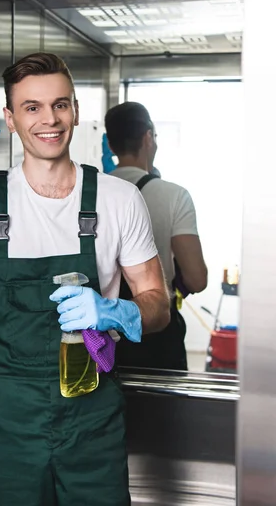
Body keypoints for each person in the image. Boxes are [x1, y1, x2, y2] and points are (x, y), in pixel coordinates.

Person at [0, 54, 170, 506]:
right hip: (9, 417)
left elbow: (158, 304)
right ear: (10, 118)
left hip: (92, 413)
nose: (49, 119)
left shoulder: (118, 199)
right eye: (32, 107)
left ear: (76, 111)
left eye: (60, 105)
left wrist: (120, 312)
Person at [104, 101, 207, 371]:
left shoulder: (89, 193)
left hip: (102, 332)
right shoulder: (174, 196)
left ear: (111, 144)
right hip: (157, 330)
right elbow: (196, 278)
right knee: (163, 410)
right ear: (148, 137)